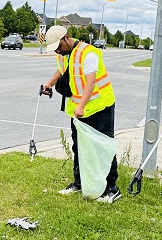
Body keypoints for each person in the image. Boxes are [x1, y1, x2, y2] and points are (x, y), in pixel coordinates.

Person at [41, 25, 121, 203]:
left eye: (58, 47)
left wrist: (81, 106)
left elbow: (90, 83)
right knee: (78, 146)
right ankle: (79, 183)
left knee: (103, 146)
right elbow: (62, 71)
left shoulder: (88, 53)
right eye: (54, 49)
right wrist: (49, 84)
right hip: (80, 109)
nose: (57, 51)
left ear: (66, 38)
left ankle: (111, 188)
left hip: (100, 106)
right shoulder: (64, 54)